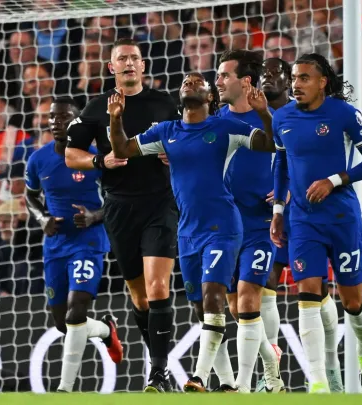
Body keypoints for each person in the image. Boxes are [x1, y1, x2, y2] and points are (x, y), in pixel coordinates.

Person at [107, 72, 276, 392]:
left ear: (210, 97)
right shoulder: (166, 131)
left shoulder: (226, 128)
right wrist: (116, 119)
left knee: (215, 297)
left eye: (198, 82)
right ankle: (257, 367)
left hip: (223, 227)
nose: (189, 83)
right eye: (185, 81)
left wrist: (264, 112)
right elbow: (123, 150)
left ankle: (198, 376)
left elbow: (269, 144)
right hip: (187, 232)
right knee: (203, 310)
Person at [65, 37, 180, 392]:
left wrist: (172, 153)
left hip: (161, 202)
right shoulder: (97, 107)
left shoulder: (163, 102)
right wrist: (100, 160)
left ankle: (158, 372)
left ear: (143, 66)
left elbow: (185, 137)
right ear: (111, 67)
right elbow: (72, 155)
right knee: (139, 296)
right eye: (122, 59)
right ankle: (158, 368)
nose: (129, 63)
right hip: (118, 207)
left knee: (159, 286)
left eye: (134, 58)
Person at [270, 53, 362, 393]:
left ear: (322, 82)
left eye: (304, 78)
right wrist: (278, 210)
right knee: (307, 296)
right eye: (294, 78)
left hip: (341, 219)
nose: (296, 84)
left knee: (352, 302)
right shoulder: (282, 118)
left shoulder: (344, 114)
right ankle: (317, 382)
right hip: (303, 221)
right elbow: (282, 165)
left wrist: (334, 180)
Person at [24, 97, 123, 393]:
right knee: (63, 324)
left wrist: (95, 216)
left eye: (64, 117)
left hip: (89, 242)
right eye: (53, 117)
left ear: (77, 123)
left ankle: (64, 390)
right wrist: (42, 218)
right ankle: (106, 330)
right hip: (55, 246)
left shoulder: (96, 158)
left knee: (76, 310)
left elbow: (118, 200)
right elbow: (30, 196)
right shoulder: (38, 159)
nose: (57, 122)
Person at [263, 57, 344, 392]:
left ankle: (331, 370)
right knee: (264, 286)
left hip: (309, 214)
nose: (268, 79)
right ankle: (272, 377)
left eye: (277, 74)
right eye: (262, 74)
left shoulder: (316, 114)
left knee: (314, 291)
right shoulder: (256, 115)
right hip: (271, 217)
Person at [211, 50, 283, 393]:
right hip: (223, 226)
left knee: (251, 296)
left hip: (260, 225)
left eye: (225, 75)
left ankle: (242, 386)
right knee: (236, 307)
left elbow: (298, 161)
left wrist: (289, 194)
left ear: (246, 81)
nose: (218, 81)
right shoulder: (214, 120)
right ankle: (271, 362)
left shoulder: (274, 119)